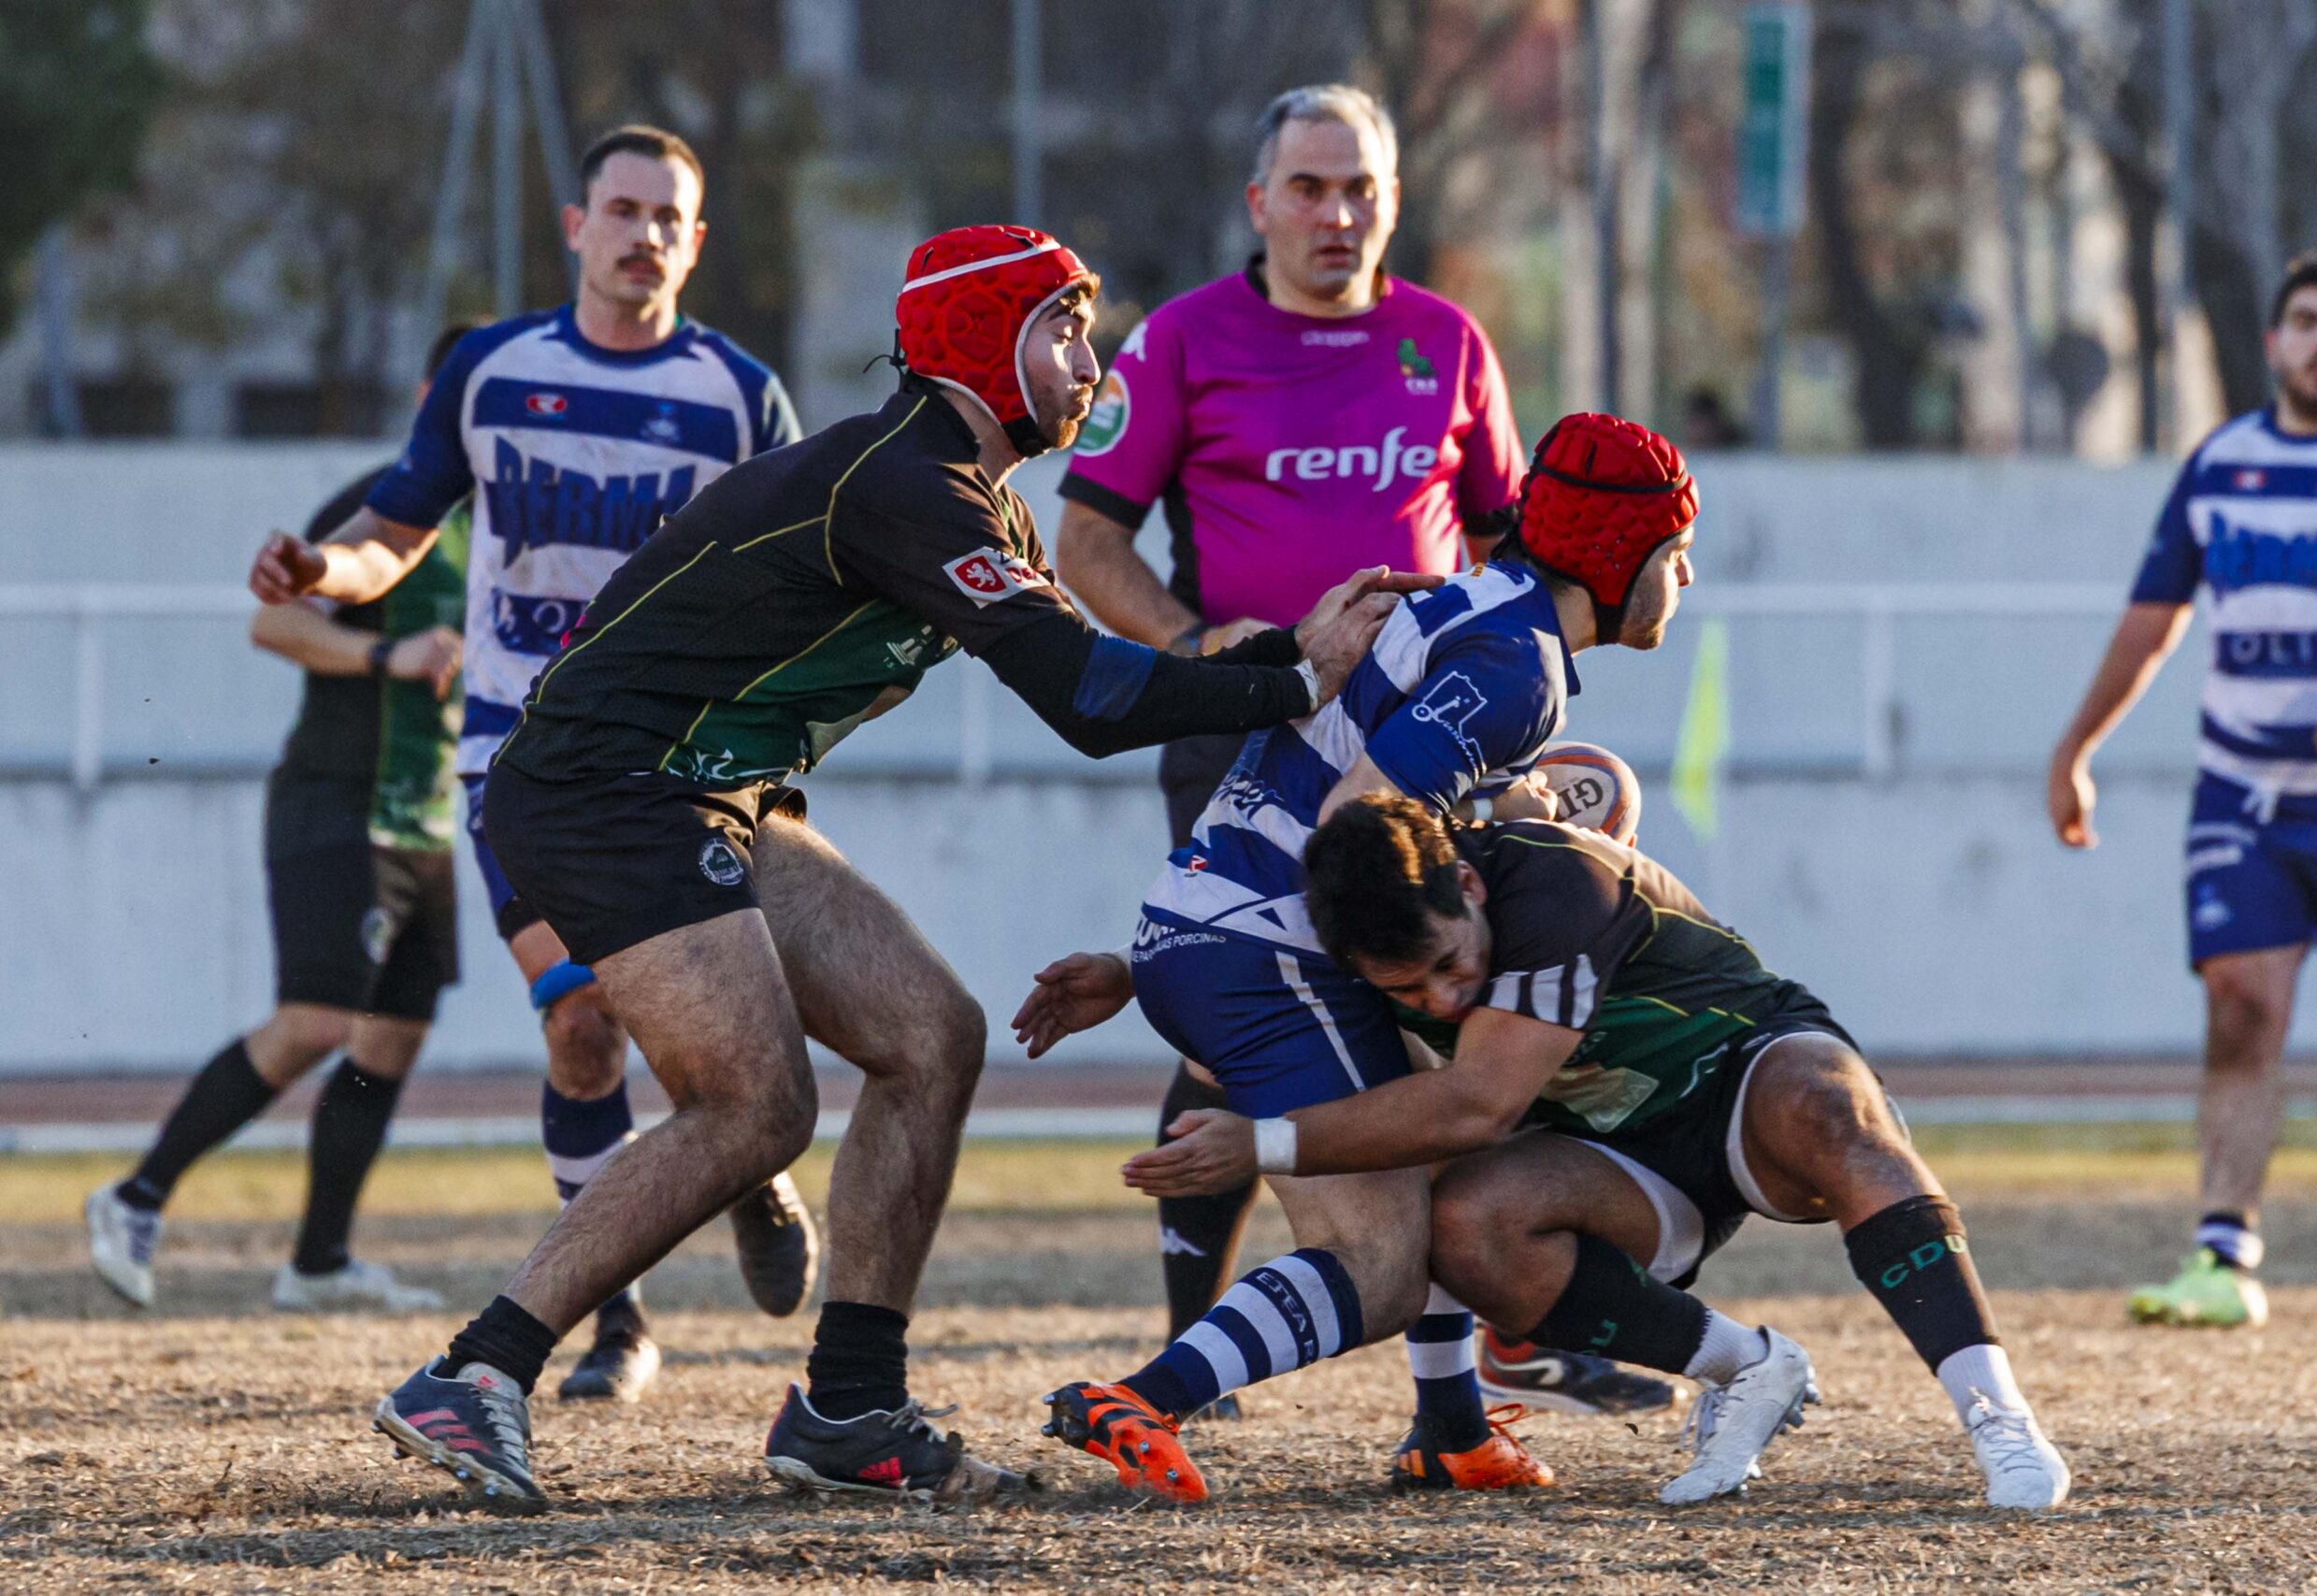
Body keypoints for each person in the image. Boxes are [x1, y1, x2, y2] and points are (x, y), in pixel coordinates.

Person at [257, 223, 1420, 1506]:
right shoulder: (905, 480)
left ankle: (849, 1403)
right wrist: (1299, 669)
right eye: (1065, 325)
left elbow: (1111, 677)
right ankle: (476, 1371)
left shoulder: (972, 502)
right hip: (610, 786)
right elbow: (1089, 699)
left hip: (712, 791)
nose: (1092, 359)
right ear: (987, 340)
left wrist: (1252, 667)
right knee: (756, 1105)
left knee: (932, 1031)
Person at [1054, 81, 1666, 1420]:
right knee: (1250, 1021)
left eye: (1363, 190)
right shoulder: (1181, 341)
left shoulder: (1446, 341)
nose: (1339, 215)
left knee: (1446, 1021)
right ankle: (1192, 1350)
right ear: (1259, 201)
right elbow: (1083, 538)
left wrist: (1497, 712)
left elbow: (1523, 545)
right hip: (1251, 728)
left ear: (1393, 200)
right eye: (1313, 188)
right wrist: (1211, 647)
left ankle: (1478, 1361)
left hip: (1434, 747)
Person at [1015, 414, 1698, 1503]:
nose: (1686, 574)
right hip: (1261, 949)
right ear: (1619, 558)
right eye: (1674, 551)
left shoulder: (1445, 601)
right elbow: (1355, 823)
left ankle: (1450, 1427)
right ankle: (1146, 1398)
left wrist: (1150, 964)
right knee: (1375, 1268)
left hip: (1211, 925)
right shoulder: (1521, 668)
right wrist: (1503, 830)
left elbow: (1307, 794)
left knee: (1431, 1155)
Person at [246, 124, 816, 1400]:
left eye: (670, 217)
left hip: (681, 757)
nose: (644, 235)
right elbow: (391, 533)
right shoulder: (495, 371)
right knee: (580, 1021)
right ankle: (620, 1320)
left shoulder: (738, 395)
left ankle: (751, 1149)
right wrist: (322, 572)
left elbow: (788, 575)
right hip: (521, 758)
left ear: (697, 240)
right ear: (577, 225)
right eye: (623, 209)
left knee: (699, 1030)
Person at [1126, 793, 2076, 1512]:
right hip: (1625, 1159)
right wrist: (1129, 977)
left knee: (1829, 1110)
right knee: (1463, 1225)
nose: (1445, 1001)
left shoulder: (1553, 877)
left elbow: (1476, 1104)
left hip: (1743, 1079)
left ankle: (2000, 1418)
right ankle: (1746, 1367)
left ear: (1466, 883)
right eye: (1408, 991)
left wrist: (1264, 1145)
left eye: (1452, 966)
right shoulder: (1386, 936)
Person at [85, 324, 477, 1316]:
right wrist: (389, 657)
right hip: (334, 801)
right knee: (318, 1019)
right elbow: (275, 619)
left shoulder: (514, 525)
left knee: (391, 1036)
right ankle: (134, 1197)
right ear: (436, 395)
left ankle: (318, 1261)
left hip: (424, 819)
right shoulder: (383, 506)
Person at [2049, 249, 2317, 1329]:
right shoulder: (2221, 463)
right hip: (2243, 797)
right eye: (2306, 320)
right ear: (2273, 341)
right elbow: (2151, 623)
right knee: (2239, 1006)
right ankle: (2220, 1253)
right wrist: (2075, 750)